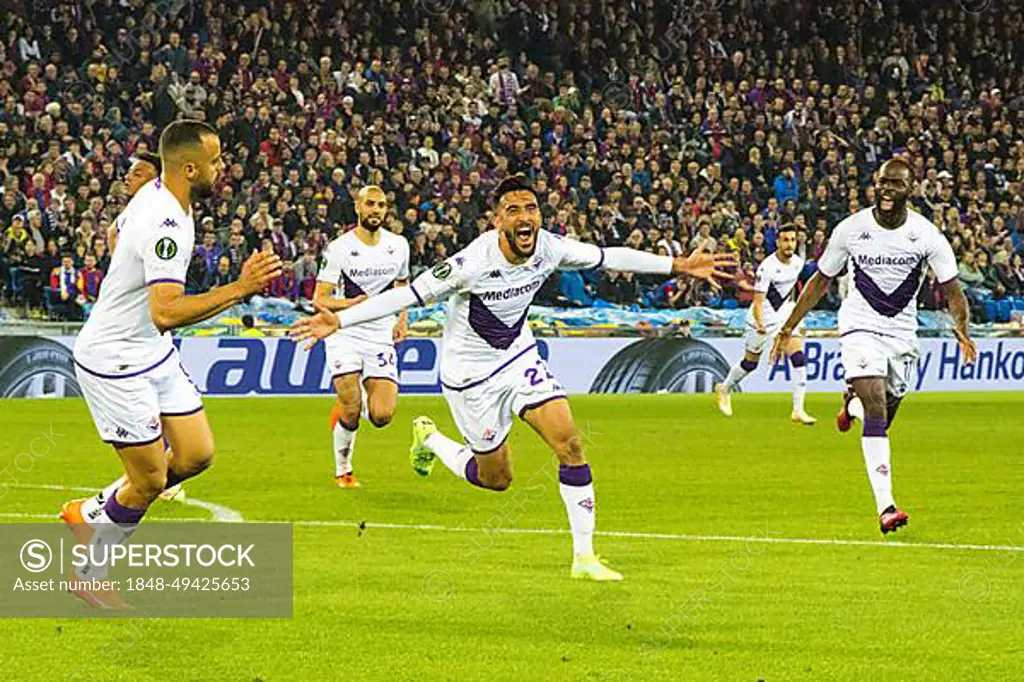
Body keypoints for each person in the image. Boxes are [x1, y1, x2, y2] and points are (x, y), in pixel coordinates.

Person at [291, 175, 736, 580]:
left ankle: (585, 557)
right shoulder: (470, 263)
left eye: (532, 209)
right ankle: (430, 438)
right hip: (470, 378)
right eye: (514, 210)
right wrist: (341, 321)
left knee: (570, 443)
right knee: (496, 479)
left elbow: (607, 257)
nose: (526, 219)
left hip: (518, 357)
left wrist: (677, 266)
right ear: (497, 219)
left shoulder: (550, 247)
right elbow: (408, 294)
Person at [59, 120, 282, 609]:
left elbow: (117, 238)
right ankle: (89, 571)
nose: (223, 168)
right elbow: (165, 312)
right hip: (115, 359)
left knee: (197, 455)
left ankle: (92, 509)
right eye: (216, 161)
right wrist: (240, 289)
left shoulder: (163, 198)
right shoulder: (165, 221)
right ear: (188, 167)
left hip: (150, 351)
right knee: (150, 481)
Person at [771, 158, 975, 535]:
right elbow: (820, 280)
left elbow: (952, 289)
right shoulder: (851, 229)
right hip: (859, 325)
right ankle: (886, 507)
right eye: (881, 182)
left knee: (885, 407)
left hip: (901, 332)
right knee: (877, 405)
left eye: (895, 184)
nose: (885, 189)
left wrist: (961, 329)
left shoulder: (926, 235)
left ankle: (850, 405)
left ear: (909, 190)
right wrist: (788, 326)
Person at [315, 185, 410, 488]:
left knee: (382, 416)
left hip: (380, 333)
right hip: (344, 331)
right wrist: (351, 305)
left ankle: (348, 403)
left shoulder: (399, 245)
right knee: (352, 410)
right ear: (357, 208)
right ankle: (344, 471)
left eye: (381, 205)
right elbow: (320, 298)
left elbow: (403, 286)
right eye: (370, 204)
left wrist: (403, 319)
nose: (376, 210)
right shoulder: (338, 248)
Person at [715, 224, 816, 424]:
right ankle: (724, 388)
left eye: (793, 240)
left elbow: (792, 289)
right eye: (785, 240)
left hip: (784, 315)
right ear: (778, 242)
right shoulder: (767, 267)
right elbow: (758, 301)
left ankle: (798, 409)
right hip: (762, 318)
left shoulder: (797, 262)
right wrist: (760, 324)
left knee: (798, 356)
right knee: (750, 363)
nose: (789, 245)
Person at [108, 152, 162, 253]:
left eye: (137, 175)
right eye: (129, 172)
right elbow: (112, 233)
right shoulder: (136, 205)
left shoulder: (163, 211)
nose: (127, 177)